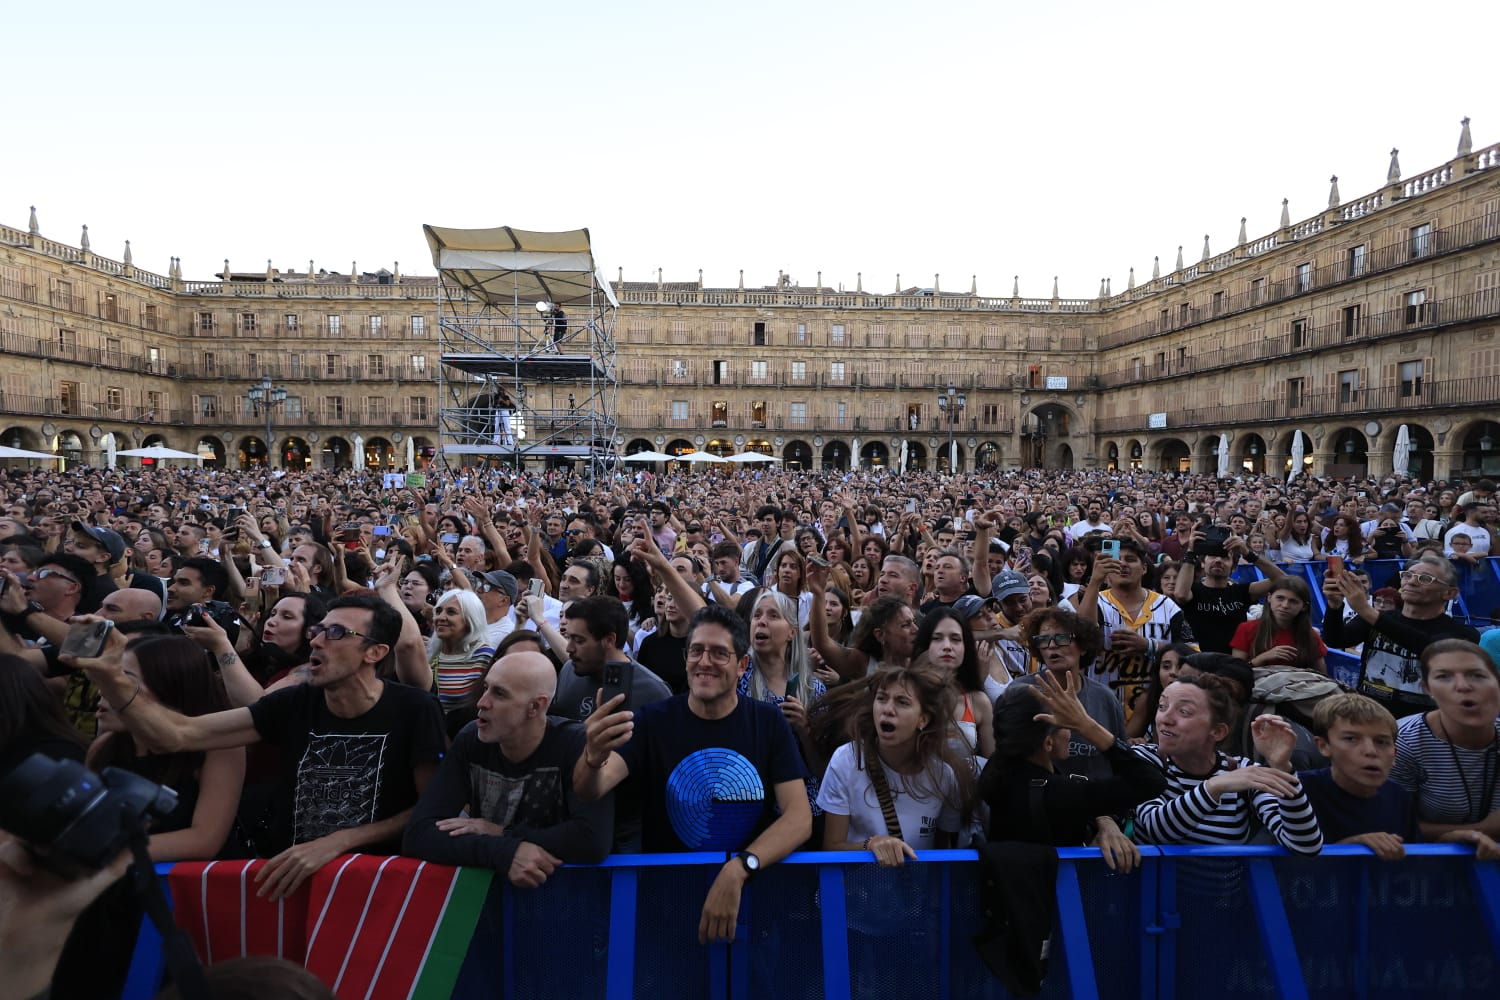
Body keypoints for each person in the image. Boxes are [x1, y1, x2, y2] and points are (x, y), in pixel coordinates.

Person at [67, 594, 446, 900]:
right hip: (288, 880)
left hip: (379, 884)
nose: (314, 640)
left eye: (334, 633)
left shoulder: (414, 709)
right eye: (316, 630)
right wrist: (111, 675)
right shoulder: (293, 703)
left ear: (375, 653)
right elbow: (178, 734)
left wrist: (341, 841)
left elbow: (430, 808)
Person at [574, 604, 812, 944]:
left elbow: (799, 817)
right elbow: (589, 789)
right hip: (668, 912)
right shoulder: (653, 720)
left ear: (743, 665)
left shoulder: (768, 722)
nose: (705, 662)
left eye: (719, 653)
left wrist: (739, 869)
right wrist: (592, 756)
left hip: (752, 909)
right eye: (697, 650)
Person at [403, 652, 613, 883]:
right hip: (491, 894)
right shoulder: (471, 738)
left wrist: (500, 832)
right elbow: (419, 834)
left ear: (535, 706)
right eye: (485, 688)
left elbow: (591, 840)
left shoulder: (575, 744)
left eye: (499, 693)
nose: (482, 702)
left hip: (563, 894)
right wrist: (504, 851)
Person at [979, 671, 1165, 870]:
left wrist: (1102, 819)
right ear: (1048, 742)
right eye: (1067, 724)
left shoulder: (994, 772)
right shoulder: (1062, 794)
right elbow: (1151, 781)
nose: (1072, 731)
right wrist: (1086, 725)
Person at [1131, 675, 1323, 854]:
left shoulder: (1242, 771)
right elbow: (1157, 829)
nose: (1165, 718)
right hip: (1151, 889)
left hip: (1221, 890)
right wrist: (1215, 786)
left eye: (1184, 712)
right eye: (1162, 706)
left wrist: (1281, 767)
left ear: (1217, 731)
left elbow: (1306, 845)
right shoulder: (1142, 759)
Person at [817, 667, 969, 863]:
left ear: (923, 719)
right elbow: (831, 849)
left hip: (913, 891)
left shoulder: (944, 775)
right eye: (881, 699)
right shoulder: (847, 759)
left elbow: (943, 853)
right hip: (855, 889)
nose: (887, 709)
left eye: (902, 702)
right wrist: (871, 844)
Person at [1322, 555, 1479, 718]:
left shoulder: (1463, 634)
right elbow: (1335, 639)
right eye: (1407, 575)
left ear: (1450, 593)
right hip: (1370, 716)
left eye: (1425, 578)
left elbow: (1431, 649)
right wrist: (1335, 605)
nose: (1411, 582)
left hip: (1423, 725)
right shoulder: (1378, 618)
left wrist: (1365, 609)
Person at [1388, 639, 1500, 859]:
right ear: (1427, 689)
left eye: (1477, 675)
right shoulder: (1405, 742)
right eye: (1444, 676)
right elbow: (1392, 826)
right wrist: (1484, 829)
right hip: (1424, 872)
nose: (1463, 685)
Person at [1298, 693, 1419, 859]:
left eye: (1381, 742)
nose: (1370, 751)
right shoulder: (1298, 790)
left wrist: (1449, 839)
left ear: (1395, 755)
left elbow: (1416, 865)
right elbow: (1277, 866)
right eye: (1351, 738)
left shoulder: (1399, 797)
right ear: (1324, 746)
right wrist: (1350, 847)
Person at [551, 596, 671, 721]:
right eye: (569, 638)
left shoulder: (653, 693)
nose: (569, 648)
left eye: (579, 640)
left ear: (609, 640)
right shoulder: (568, 671)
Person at [1171, 525, 1286, 653]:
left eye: (1225, 557)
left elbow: (1283, 581)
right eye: (1213, 555)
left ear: (1234, 567)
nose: (1219, 560)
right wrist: (1191, 551)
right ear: (1203, 563)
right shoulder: (1193, 591)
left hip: (1234, 662)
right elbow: (1180, 594)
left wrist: (1248, 554)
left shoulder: (1242, 592)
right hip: (1200, 661)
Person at [912, 607, 995, 759]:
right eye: (937, 638)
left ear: (966, 648)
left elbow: (993, 765)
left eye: (956, 639)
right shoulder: (906, 694)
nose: (947, 646)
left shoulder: (978, 701)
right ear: (925, 644)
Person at [429, 589, 496, 737]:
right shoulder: (431, 658)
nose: (441, 617)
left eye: (451, 612)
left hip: (469, 740)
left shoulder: (485, 656)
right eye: (438, 611)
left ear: (470, 619)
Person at [1230, 577, 1328, 674]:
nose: (1285, 605)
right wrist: (1262, 658)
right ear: (1269, 598)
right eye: (1280, 598)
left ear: (1304, 606)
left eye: (1293, 601)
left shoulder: (1310, 635)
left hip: (1299, 686)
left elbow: (1322, 675)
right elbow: (1235, 673)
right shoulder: (1246, 629)